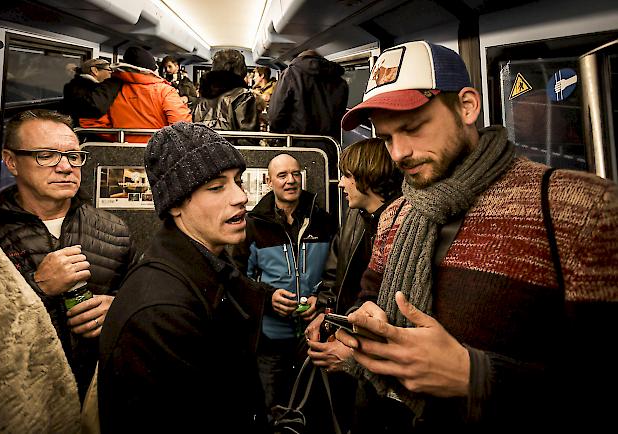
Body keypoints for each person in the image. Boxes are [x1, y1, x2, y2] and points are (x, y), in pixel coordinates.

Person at [306, 40, 618, 432]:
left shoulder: (579, 209)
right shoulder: (396, 216)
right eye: (386, 138)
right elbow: (369, 295)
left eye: (414, 128)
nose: (399, 153)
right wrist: (363, 321)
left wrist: (475, 376)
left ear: (467, 106)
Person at [98, 122, 270, 433]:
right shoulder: (161, 312)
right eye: (216, 187)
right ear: (175, 204)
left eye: (237, 181)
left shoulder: (208, 272)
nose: (240, 197)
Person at [0, 109, 136, 401]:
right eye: (46, 155)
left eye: (73, 156)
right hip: (18, 402)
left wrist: (120, 310)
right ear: (11, 162)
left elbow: (143, 305)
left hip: (99, 399)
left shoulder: (115, 231)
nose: (65, 167)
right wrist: (39, 288)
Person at [305, 138, 402, 432]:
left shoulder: (402, 228)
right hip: (347, 340)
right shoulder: (355, 217)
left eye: (347, 175)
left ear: (367, 177)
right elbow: (336, 271)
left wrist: (356, 355)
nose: (340, 184)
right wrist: (324, 310)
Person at [232, 153, 335, 419]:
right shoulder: (253, 226)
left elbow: (337, 271)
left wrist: (321, 300)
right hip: (270, 337)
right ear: (269, 181)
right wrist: (268, 297)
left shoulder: (323, 221)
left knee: (314, 410)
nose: (291, 181)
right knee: (271, 409)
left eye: (296, 174)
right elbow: (237, 278)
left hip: (314, 336)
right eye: (282, 175)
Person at [0, 229, 81, 433]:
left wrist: (116, 308)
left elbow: (134, 292)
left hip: (97, 389)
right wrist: (38, 286)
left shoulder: (115, 229)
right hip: (28, 400)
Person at [82, 46, 191, 142]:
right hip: (158, 156)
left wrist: (119, 138)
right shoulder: (165, 91)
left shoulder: (109, 89)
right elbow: (182, 129)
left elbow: (92, 122)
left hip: (122, 154)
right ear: (153, 70)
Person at [268, 49, 348, 170]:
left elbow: (275, 116)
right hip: (328, 147)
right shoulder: (340, 81)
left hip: (296, 145)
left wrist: (278, 137)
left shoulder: (290, 74)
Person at [193, 49, 259, 132]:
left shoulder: (203, 97)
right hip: (231, 144)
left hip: (203, 144)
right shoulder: (244, 96)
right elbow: (248, 137)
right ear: (241, 70)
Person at [61, 57, 122, 127]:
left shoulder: (78, 85)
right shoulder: (81, 87)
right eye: (109, 70)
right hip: (85, 133)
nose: (112, 73)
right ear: (95, 71)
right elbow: (95, 108)